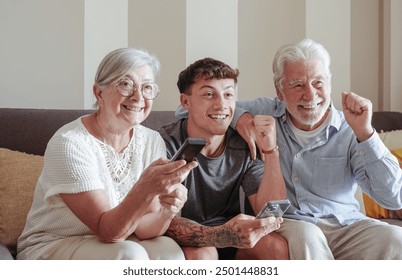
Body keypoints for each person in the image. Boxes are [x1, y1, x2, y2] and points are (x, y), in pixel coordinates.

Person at [17, 48, 197, 260]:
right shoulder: (70, 143)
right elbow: (108, 231)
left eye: (147, 87)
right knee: (130, 254)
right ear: (99, 93)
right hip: (54, 245)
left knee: (169, 251)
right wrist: (145, 187)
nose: (138, 96)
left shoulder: (151, 140)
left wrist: (167, 211)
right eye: (126, 84)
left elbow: (145, 228)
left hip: (117, 242)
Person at [233, 38, 402, 259]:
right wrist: (241, 119)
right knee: (308, 234)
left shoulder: (351, 128)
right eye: (297, 85)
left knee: (394, 238)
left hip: (344, 226)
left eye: (318, 83)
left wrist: (366, 133)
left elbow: (393, 198)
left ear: (329, 83)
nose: (310, 95)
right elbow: (190, 110)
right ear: (280, 90)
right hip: (291, 225)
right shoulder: (266, 111)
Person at [159, 57, 289, 260]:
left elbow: (268, 209)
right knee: (202, 255)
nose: (221, 105)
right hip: (190, 239)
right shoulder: (165, 144)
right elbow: (163, 220)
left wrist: (271, 151)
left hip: (236, 236)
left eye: (228, 94)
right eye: (209, 94)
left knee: (275, 247)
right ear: (186, 101)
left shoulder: (244, 144)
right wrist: (219, 236)